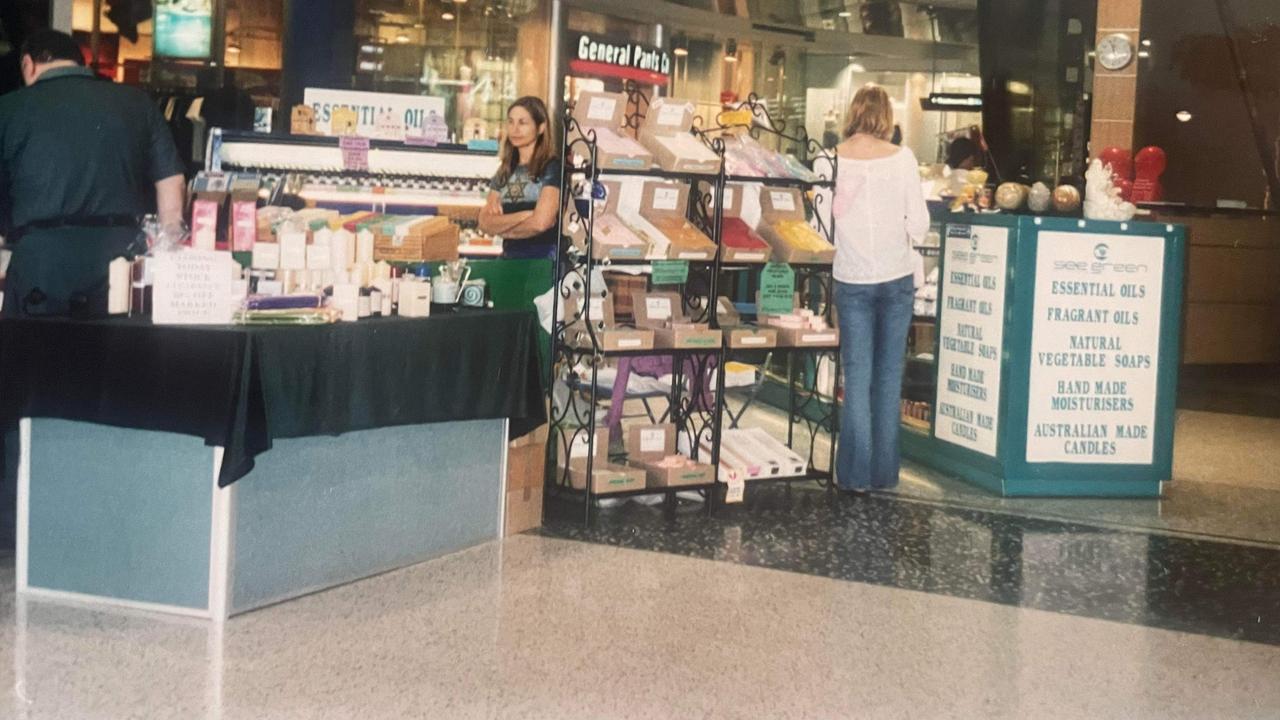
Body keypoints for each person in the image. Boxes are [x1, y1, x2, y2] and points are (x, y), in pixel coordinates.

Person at [0, 29, 185, 318]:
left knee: (33, 359)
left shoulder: (8, 109)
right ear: (80, 62)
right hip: (120, 261)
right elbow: (171, 181)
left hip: (40, 264)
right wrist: (168, 251)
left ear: (28, 64)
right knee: (118, 360)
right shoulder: (137, 103)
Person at [830, 84, 929, 493]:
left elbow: (822, 222)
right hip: (896, 278)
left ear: (852, 114)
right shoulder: (902, 158)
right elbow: (920, 223)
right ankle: (884, 475)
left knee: (856, 377)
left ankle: (854, 477)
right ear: (887, 117)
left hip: (851, 278)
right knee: (889, 378)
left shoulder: (832, 160)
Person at [478, 96, 562, 260]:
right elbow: (484, 223)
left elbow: (541, 223)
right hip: (509, 260)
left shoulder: (552, 167)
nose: (515, 129)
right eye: (511, 122)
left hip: (543, 263)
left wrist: (501, 227)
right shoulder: (504, 170)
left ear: (541, 128)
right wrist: (525, 216)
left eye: (522, 123)